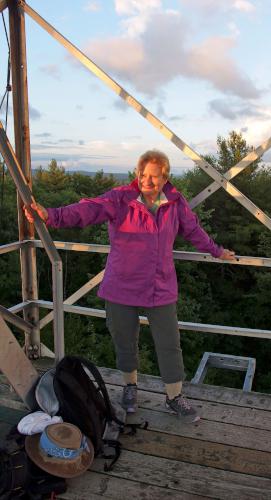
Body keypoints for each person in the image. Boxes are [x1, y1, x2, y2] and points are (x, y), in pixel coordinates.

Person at [24, 150, 235, 423]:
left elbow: (193, 230)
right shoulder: (120, 198)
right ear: (138, 174)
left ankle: (174, 397)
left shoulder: (175, 202)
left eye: (154, 176)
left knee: (170, 344)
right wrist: (50, 215)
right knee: (125, 342)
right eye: (143, 174)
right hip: (121, 286)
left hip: (160, 288)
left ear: (164, 178)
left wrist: (216, 251)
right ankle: (130, 388)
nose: (147, 180)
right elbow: (88, 209)